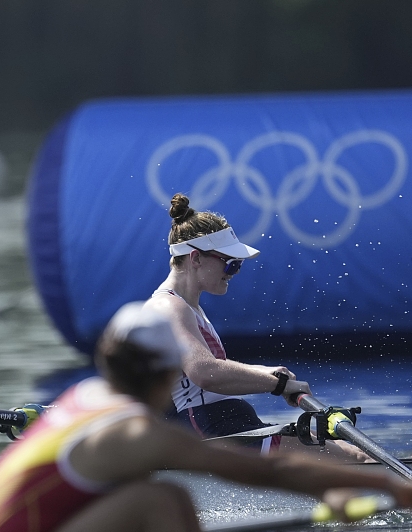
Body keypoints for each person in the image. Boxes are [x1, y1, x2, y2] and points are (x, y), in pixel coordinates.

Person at [0, 302, 412, 532]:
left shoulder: (85, 397)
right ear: (169, 372)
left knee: (159, 497)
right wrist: (388, 487)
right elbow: (260, 470)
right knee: (156, 501)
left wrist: (330, 488)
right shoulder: (129, 432)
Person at [144, 194, 370, 463]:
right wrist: (278, 384)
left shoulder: (187, 308)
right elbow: (204, 372)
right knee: (355, 458)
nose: (234, 271)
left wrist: (264, 372)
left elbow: (208, 372)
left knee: (354, 454)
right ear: (195, 258)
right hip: (207, 429)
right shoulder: (168, 307)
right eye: (230, 262)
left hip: (221, 424)